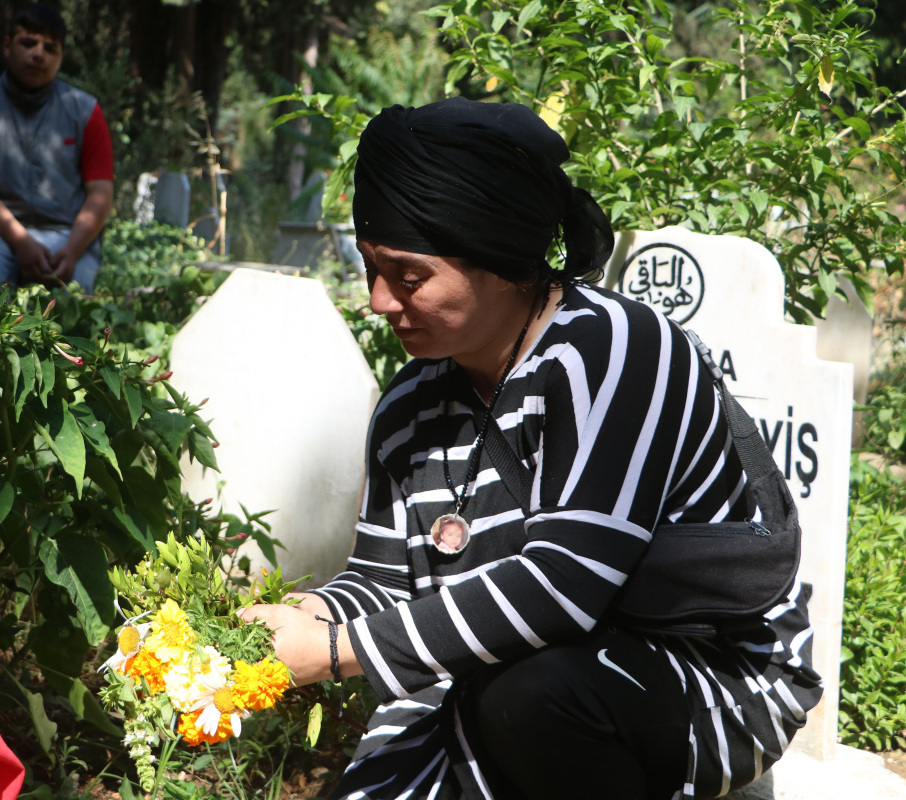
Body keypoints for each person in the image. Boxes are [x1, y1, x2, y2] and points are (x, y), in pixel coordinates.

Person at [241, 98, 822, 800]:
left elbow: (563, 585)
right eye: (370, 267)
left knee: (534, 697)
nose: (378, 301)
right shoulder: (407, 407)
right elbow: (385, 584)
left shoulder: (614, 352)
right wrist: (308, 619)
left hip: (701, 675)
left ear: (496, 258)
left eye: (408, 275)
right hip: (496, 676)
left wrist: (336, 653)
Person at [0, 2, 114, 289]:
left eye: (50, 48)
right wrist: (21, 241)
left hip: (66, 233)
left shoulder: (86, 111)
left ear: (61, 57)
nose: (39, 54)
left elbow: (100, 192)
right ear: (7, 46)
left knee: (69, 311)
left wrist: (72, 251)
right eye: (28, 43)